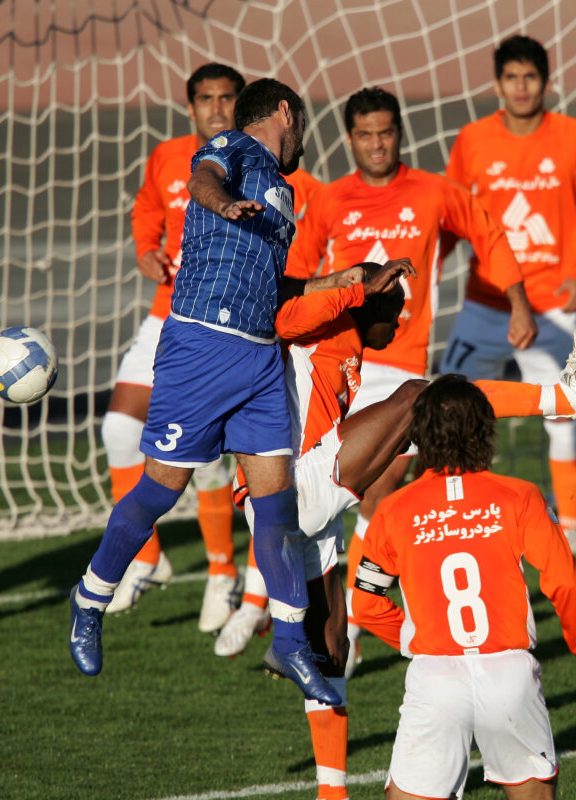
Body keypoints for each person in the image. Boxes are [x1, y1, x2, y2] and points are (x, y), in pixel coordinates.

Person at [221, 260, 576, 800]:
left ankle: (331, 792)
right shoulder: (320, 323)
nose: (400, 324)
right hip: (291, 484)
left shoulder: (348, 350)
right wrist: (355, 287)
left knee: (331, 648)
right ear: (368, 302)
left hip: (309, 505)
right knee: (421, 397)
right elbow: (284, 318)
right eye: (395, 311)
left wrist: (420, 639)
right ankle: (566, 399)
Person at [68, 78, 342, 706]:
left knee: (276, 509)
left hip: (261, 356)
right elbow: (203, 180)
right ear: (284, 112)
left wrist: (342, 279)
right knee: (161, 489)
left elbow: (276, 283)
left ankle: (292, 643)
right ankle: (90, 598)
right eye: (301, 124)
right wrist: (223, 204)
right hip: (202, 346)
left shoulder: (284, 194)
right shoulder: (234, 147)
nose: (304, 138)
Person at [286, 85, 537, 668]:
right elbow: (296, 275)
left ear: (401, 133)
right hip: (335, 367)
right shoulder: (329, 200)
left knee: (379, 490)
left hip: (401, 365)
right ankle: (289, 611)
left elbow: (489, 234)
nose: (377, 144)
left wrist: (518, 302)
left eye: (386, 132)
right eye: (365, 134)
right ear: (350, 139)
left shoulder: (434, 193)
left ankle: (351, 618)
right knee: (309, 502)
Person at [108, 63, 323, 628]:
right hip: (176, 314)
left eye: (228, 97)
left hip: (244, 325)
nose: (217, 108)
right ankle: (145, 561)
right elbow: (149, 209)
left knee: (225, 470)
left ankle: (224, 575)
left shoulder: (271, 174)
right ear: (191, 107)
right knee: (120, 432)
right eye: (206, 98)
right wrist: (145, 248)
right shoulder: (175, 157)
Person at [351, 374, 576, 800]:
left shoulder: (392, 510)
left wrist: (422, 639)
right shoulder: (520, 496)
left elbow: (365, 605)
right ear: (486, 429)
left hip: (434, 678)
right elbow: (566, 585)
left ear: (417, 435)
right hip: (510, 675)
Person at [440, 35, 576, 555]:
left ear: (546, 82)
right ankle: (457, 513)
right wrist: (424, 273)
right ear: (497, 84)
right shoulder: (473, 140)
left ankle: (571, 531)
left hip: (553, 305)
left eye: (530, 77)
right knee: (450, 406)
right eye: (511, 78)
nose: (521, 87)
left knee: (566, 412)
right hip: (484, 301)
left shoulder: (575, 137)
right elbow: (451, 214)